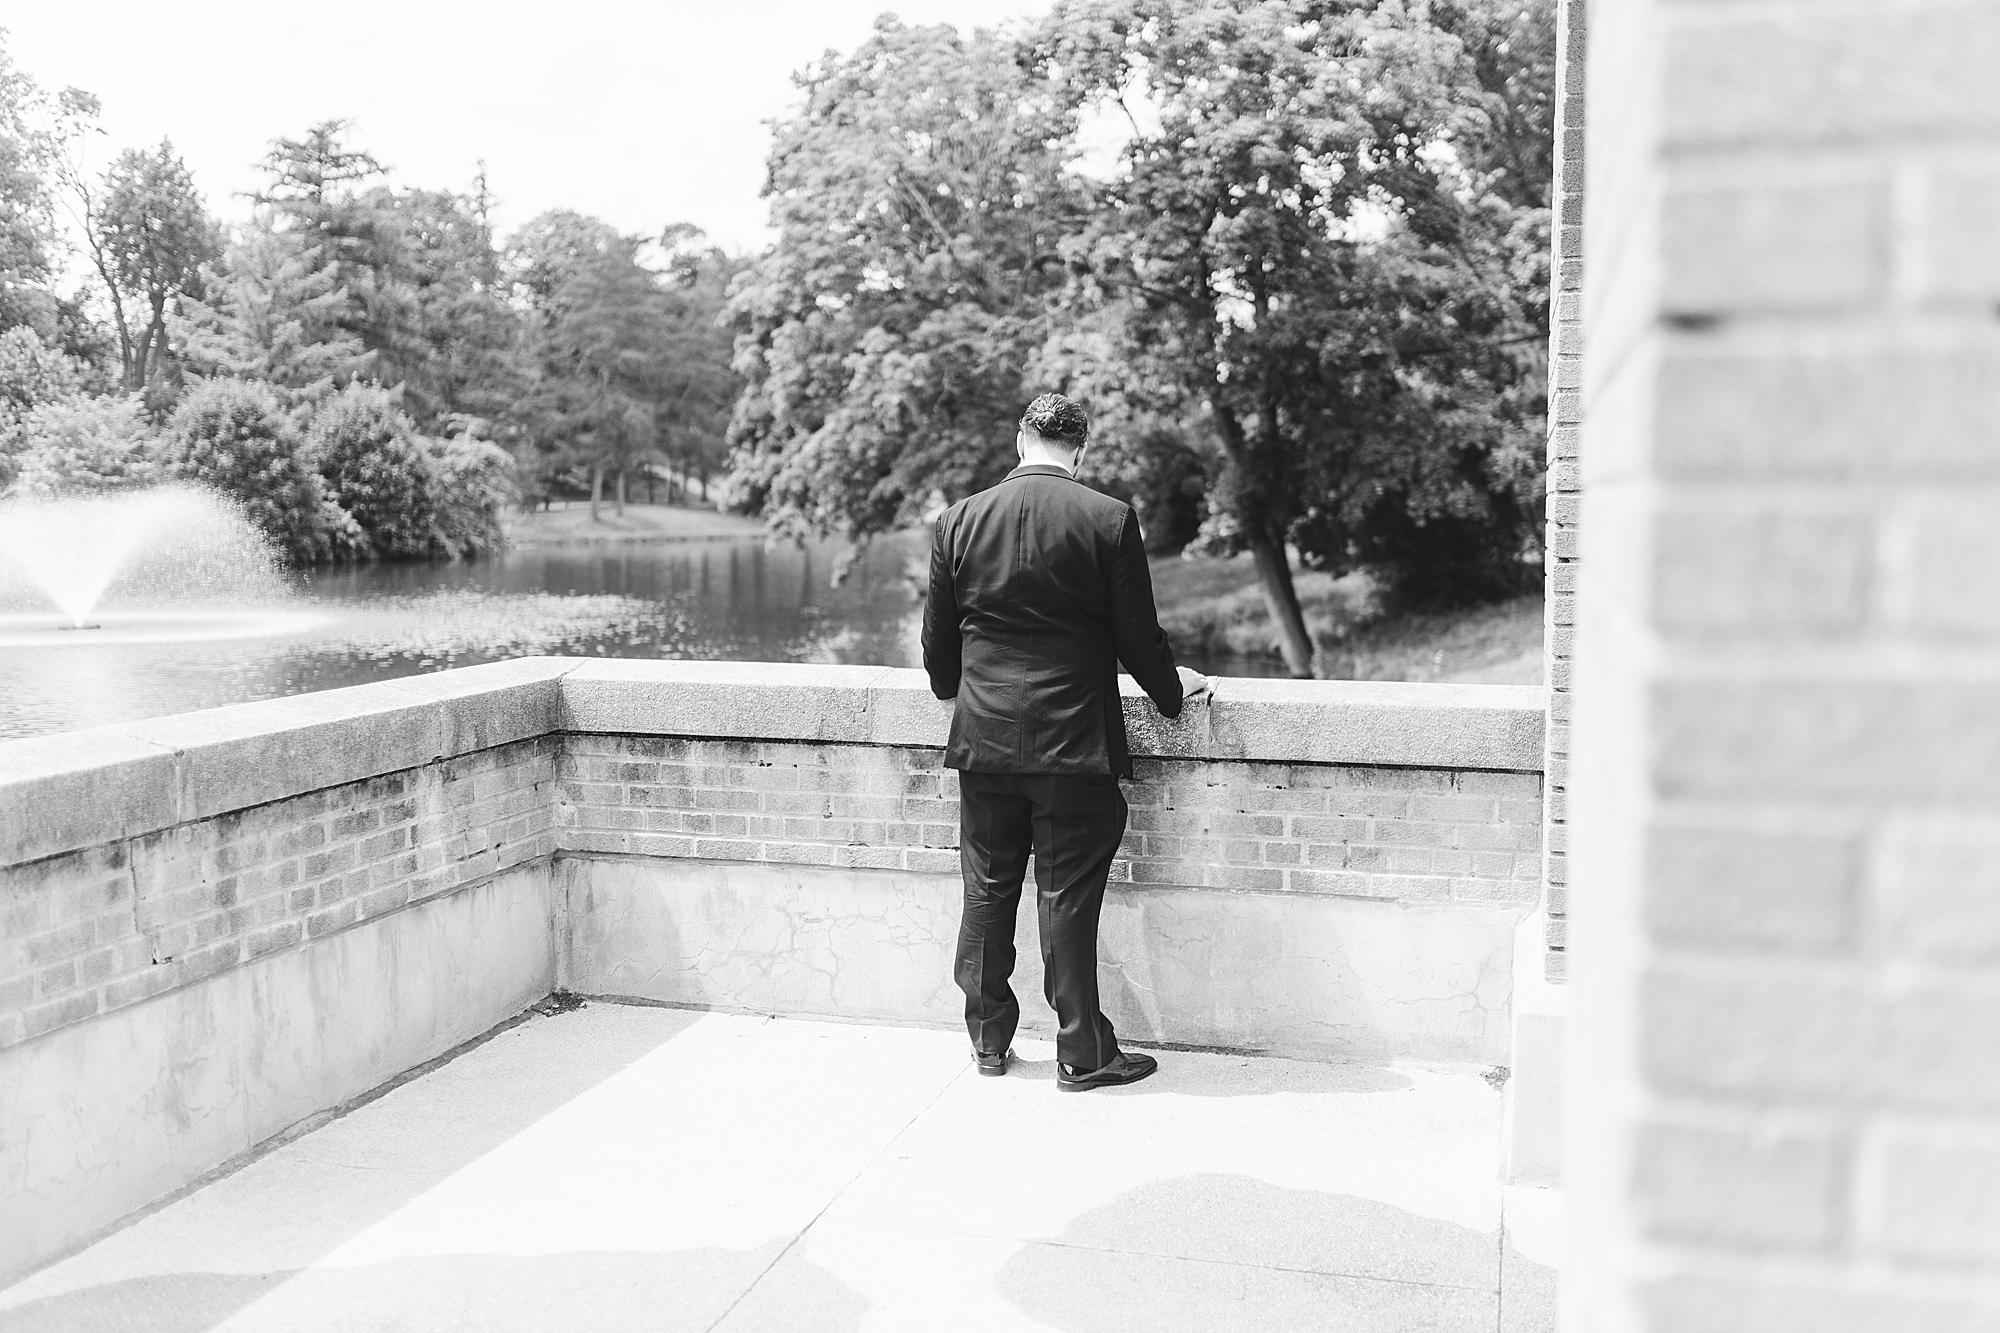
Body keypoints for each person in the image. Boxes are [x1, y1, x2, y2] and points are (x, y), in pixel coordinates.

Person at [922, 392, 1209, 1092]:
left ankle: (989, 1042)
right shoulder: (1108, 519)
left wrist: (950, 687)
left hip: (985, 740)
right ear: (1078, 449)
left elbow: (938, 648)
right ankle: (1082, 1051)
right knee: (1067, 898)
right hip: (1074, 743)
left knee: (986, 892)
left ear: (1021, 439)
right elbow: (1138, 638)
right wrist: (1176, 692)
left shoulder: (956, 520)